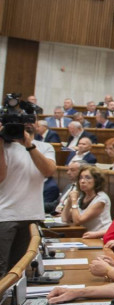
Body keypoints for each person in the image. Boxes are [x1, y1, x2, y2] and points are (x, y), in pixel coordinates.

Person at [0, 116, 57, 274]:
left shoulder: (45, 147)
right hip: (4, 216)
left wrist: (29, 146)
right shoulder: (3, 145)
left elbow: (49, 171)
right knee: (1, 269)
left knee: (21, 271)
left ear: (37, 124)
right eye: (20, 121)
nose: (25, 124)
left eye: (30, 120)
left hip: (31, 216)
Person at [60, 165, 112, 238]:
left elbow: (78, 221)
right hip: (87, 236)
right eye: (81, 178)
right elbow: (64, 219)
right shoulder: (82, 197)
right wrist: (69, 200)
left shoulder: (101, 199)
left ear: (96, 180)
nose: (82, 181)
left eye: (87, 178)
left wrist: (74, 201)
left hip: (100, 237)